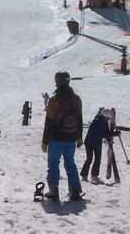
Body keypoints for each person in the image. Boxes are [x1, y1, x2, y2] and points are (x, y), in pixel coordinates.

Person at [41, 71, 84, 202]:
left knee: (53, 163)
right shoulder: (76, 99)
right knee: (70, 163)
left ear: (57, 82)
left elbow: (49, 121)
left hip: (56, 138)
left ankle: (54, 192)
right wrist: (79, 137)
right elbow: (79, 118)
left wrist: (45, 142)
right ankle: (75, 192)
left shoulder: (54, 100)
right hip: (71, 138)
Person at [81, 108, 112, 183]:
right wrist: (110, 135)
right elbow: (102, 133)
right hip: (90, 142)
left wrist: (112, 134)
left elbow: (106, 132)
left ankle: (94, 175)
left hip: (97, 142)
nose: (108, 119)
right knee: (89, 159)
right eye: (107, 118)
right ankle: (84, 175)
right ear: (104, 116)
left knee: (97, 159)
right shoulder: (97, 121)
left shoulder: (104, 122)